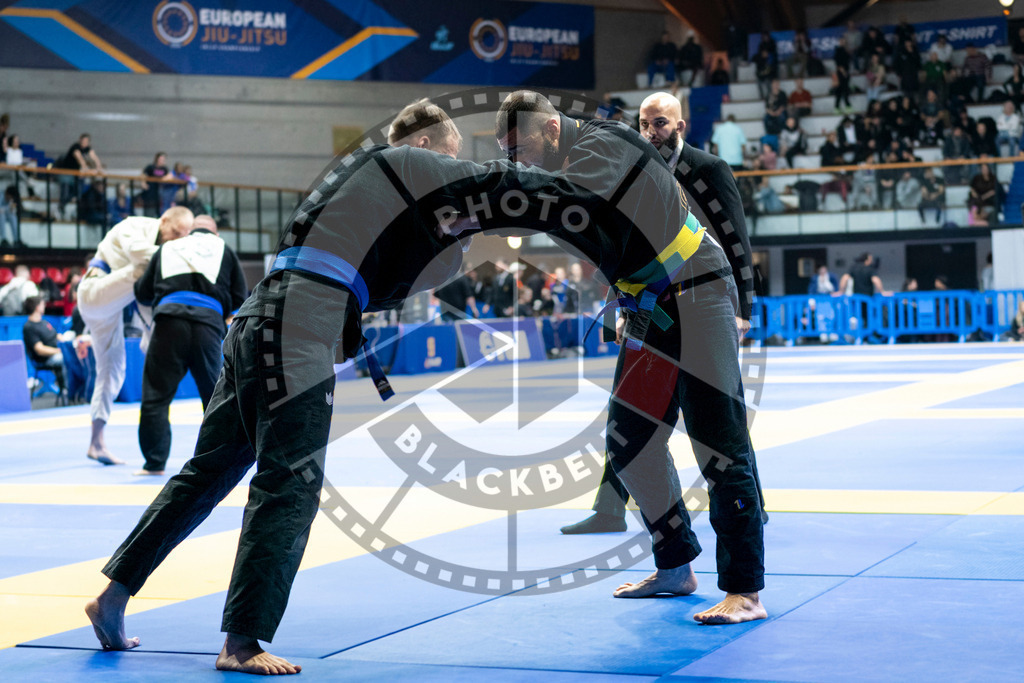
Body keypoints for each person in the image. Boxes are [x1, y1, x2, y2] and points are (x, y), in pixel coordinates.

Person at [85, 98, 580, 674]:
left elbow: (417, 277)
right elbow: (488, 181)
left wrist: (466, 234)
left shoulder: (370, 197)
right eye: (446, 159)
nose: (447, 175)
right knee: (289, 482)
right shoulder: (400, 160)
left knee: (208, 471)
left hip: (261, 318)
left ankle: (114, 595)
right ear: (425, 148)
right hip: (299, 321)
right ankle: (241, 641)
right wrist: (565, 177)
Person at [495, 90, 766, 624]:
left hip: (698, 291)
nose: (517, 162)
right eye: (509, 154)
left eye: (521, 149)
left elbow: (551, 198)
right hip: (647, 304)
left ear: (551, 131)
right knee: (631, 443)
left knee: (718, 440)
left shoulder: (607, 142)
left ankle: (745, 590)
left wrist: (477, 194)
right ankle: (675, 566)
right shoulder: (566, 162)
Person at [77, 207, 193, 465]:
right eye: (175, 233)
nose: (177, 240)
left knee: (112, 370)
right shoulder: (134, 226)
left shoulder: (164, 245)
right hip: (95, 292)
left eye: (184, 237)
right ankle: (150, 334)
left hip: (112, 305)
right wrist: (186, 254)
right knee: (147, 268)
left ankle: (96, 443)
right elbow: (138, 256)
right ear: (163, 221)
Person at [133, 215, 247, 475]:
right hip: (207, 326)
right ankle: (219, 462)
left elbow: (142, 292)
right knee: (216, 398)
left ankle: (154, 463)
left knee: (156, 396)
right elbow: (241, 296)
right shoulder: (224, 249)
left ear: (190, 232)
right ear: (215, 234)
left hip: (168, 323)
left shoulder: (168, 248)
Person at [22, 295, 69, 402]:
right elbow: (39, 349)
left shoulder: (44, 322)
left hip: (58, 350)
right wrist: (58, 351)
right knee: (65, 357)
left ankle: (74, 390)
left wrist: (63, 338)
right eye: (42, 304)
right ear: (37, 307)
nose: (44, 306)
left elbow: (55, 335)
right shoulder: (29, 327)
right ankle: (66, 390)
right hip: (44, 359)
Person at [140, 152, 170, 217]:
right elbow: (143, 174)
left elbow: (168, 176)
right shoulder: (151, 167)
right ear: (157, 159)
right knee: (149, 210)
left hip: (159, 191)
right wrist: (143, 183)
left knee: (158, 210)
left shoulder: (164, 169)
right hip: (150, 190)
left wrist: (164, 179)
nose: (162, 161)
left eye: (163, 159)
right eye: (161, 159)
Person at [833, 37, 854, 114]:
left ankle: (837, 107)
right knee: (843, 89)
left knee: (842, 89)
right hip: (842, 72)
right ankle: (846, 105)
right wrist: (843, 72)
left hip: (845, 71)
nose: (843, 43)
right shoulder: (838, 51)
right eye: (841, 41)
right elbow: (839, 64)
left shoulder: (845, 50)